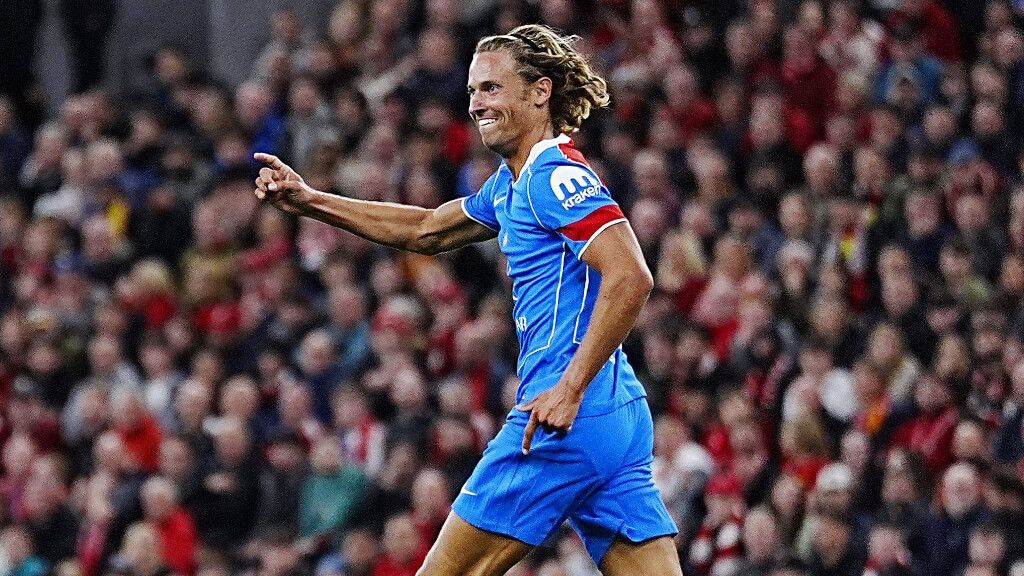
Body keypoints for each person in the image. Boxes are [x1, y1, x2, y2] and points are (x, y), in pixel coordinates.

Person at [255, 23, 681, 576]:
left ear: (539, 92)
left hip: (561, 417)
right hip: (615, 416)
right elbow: (429, 229)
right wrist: (311, 201)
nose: (477, 103)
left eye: (493, 89)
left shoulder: (553, 176)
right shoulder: (512, 183)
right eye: (473, 91)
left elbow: (631, 276)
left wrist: (570, 388)